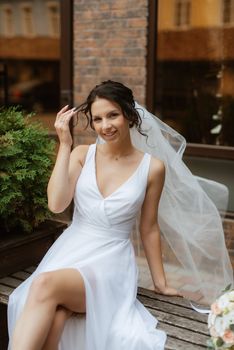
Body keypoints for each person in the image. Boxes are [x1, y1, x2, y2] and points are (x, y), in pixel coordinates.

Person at [7, 80, 232, 350]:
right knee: (55, 319)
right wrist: (64, 145)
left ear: (129, 114)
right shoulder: (81, 154)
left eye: (112, 115)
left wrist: (161, 283)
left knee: (43, 285)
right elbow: (56, 204)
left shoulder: (153, 168)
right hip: (70, 252)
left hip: (110, 263)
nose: (106, 125)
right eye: (98, 119)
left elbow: (149, 228)